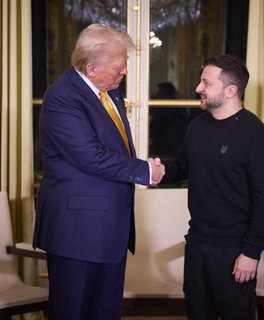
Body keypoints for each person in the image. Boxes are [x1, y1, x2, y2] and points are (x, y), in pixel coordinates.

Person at [32, 23, 165, 320]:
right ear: (91, 68)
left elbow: (112, 150)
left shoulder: (111, 91)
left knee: (105, 313)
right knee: (72, 312)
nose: (125, 72)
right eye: (120, 66)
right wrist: (145, 170)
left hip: (110, 230)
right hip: (77, 231)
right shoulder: (63, 96)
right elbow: (90, 156)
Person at [162, 54, 264, 319]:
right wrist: (153, 169)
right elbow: (182, 166)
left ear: (231, 90)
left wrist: (251, 252)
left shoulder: (258, 137)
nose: (198, 88)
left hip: (235, 250)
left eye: (206, 83)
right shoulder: (198, 125)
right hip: (197, 243)